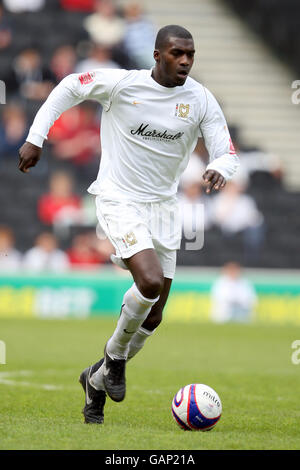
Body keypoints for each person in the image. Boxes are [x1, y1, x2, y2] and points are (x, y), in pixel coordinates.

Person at [18, 25, 239, 424]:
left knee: (152, 317)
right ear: (157, 55)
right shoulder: (122, 84)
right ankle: (115, 358)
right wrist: (37, 137)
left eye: (190, 54)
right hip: (119, 198)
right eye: (177, 53)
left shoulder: (200, 99)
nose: (185, 60)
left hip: (164, 208)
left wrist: (218, 166)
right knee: (149, 282)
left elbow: (225, 150)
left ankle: (96, 381)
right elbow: (70, 85)